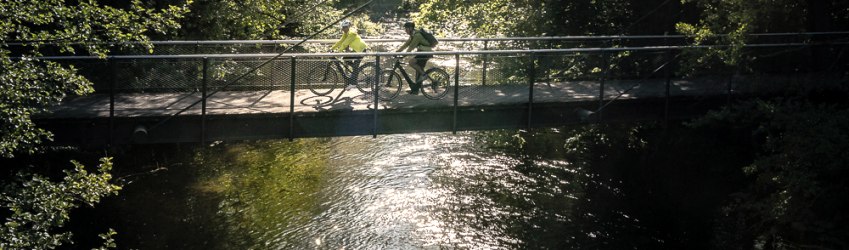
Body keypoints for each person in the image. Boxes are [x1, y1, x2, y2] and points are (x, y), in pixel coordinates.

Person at [396, 21, 434, 95]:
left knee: (411, 62)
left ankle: (424, 75)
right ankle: (415, 90)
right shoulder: (413, 35)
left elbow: (410, 47)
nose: (405, 31)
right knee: (418, 72)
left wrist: (403, 56)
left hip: (426, 53)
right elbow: (405, 45)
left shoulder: (417, 36)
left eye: (406, 29)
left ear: (410, 28)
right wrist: (396, 52)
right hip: (421, 52)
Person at [330, 20, 368, 87]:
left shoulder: (352, 33)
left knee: (355, 66)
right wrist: (332, 48)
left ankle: (353, 83)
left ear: (348, 27)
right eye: (342, 27)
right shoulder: (346, 33)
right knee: (346, 59)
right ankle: (355, 71)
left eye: (344, 27)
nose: (343, 29)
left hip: (361, 49)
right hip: (356, 50)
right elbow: (341, 41)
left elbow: (345, 44)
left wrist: (338, 52)